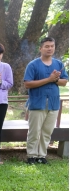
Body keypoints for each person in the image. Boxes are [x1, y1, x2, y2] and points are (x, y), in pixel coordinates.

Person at [24, 37, 68, 165]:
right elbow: (28, 84)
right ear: (40, 48)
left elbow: (64, 82)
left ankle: (41, 155)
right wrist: (49, 79)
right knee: (34, 131)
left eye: (52, 46)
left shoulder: (58, 64)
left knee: (47, 132)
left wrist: (54, 80)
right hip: (37, 103)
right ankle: (31, 156)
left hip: (53, 103)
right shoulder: (33, 65)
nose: (50, 48)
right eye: (47, 46)